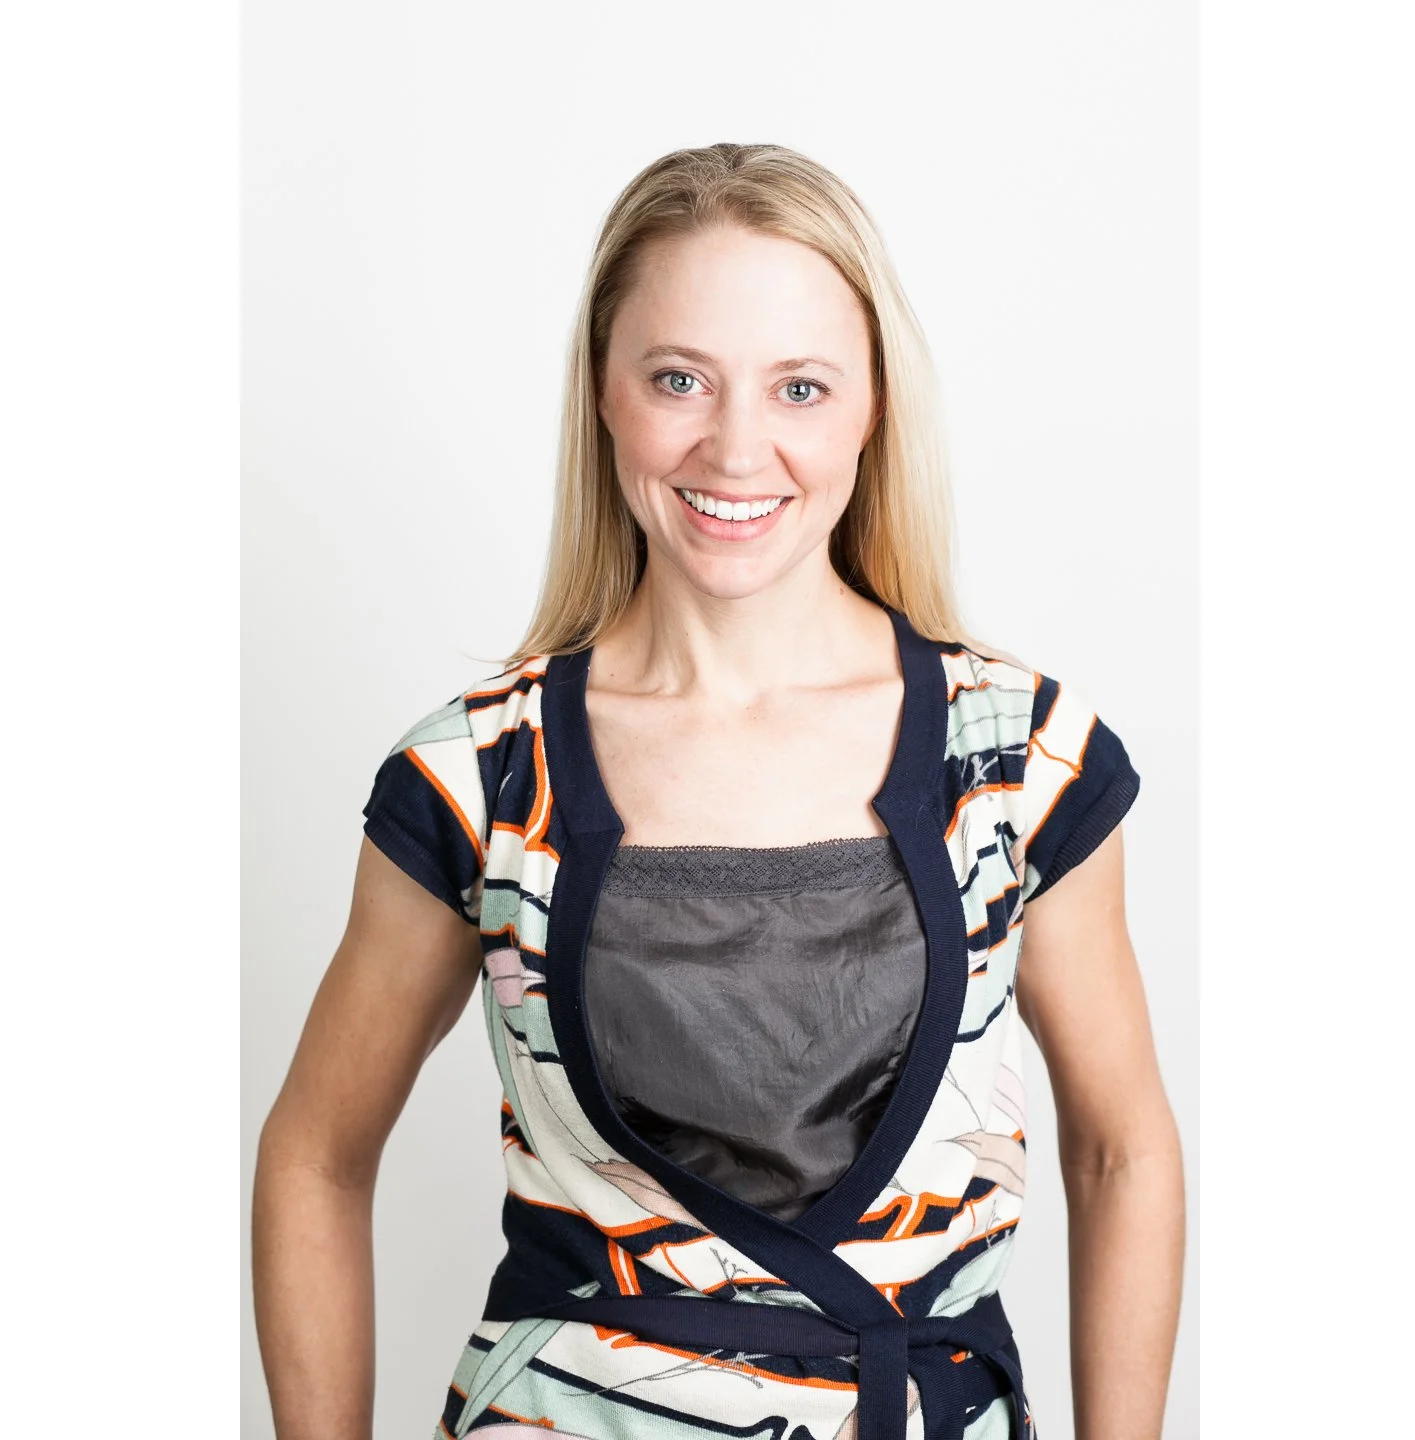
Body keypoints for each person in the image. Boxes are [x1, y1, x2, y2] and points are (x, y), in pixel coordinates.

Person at [252, 142, 1185, 1440]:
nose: (737, 447)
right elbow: (312, 1154)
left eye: (800, 387)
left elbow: (1121, 1151)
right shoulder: (476, 777)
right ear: (604, 396)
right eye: (678, 379)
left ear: (873, 408)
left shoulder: (1021, 756)